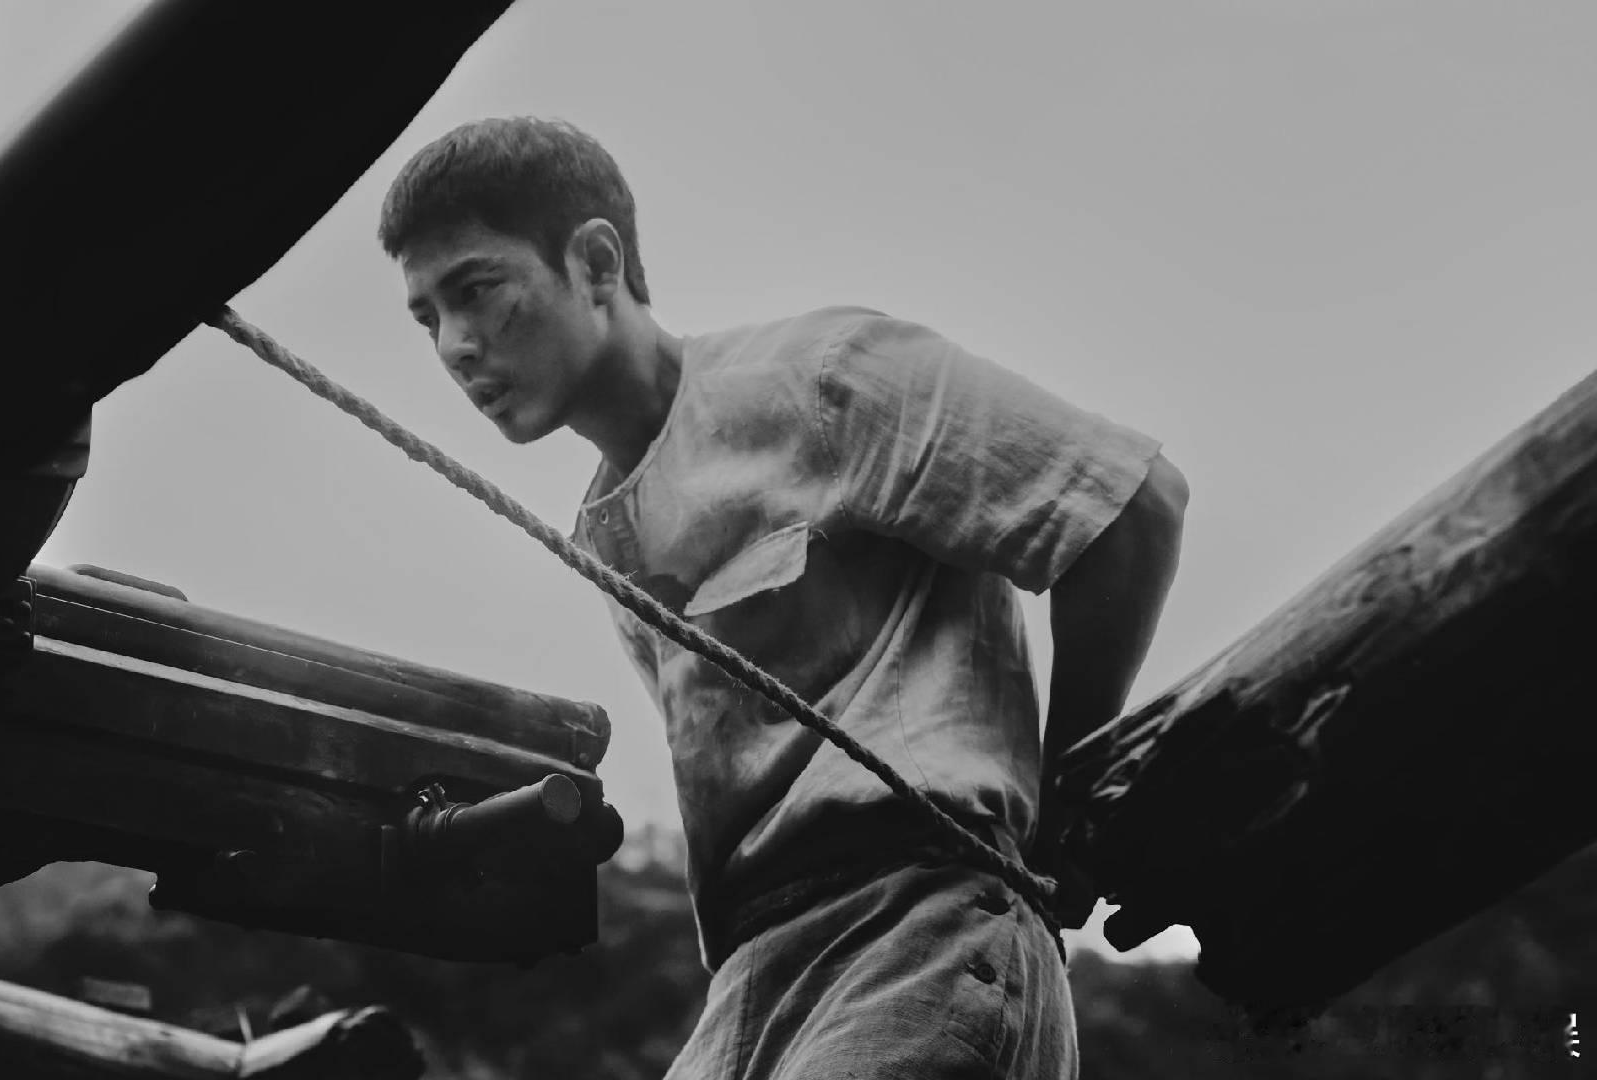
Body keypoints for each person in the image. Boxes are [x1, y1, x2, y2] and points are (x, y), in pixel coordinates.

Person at [378, 116, 1187, 1080]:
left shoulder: (826, 377)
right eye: (427, 319)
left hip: (921, 926)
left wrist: (1070, 814)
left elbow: (1130, 505)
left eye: (476, 290)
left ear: (595, 263)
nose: (456, 345)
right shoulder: (604, 534)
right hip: (750, 976)